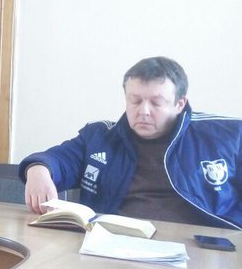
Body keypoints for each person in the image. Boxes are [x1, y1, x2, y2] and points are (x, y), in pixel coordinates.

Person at [20, 56, 242, 229]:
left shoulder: (226, 135)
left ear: (179, 104)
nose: (143, 111)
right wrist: (38, 169)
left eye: (156, 103)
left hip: (201, 250)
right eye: (135, 101)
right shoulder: (100, 137)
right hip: (114, 244)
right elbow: (60, 159)